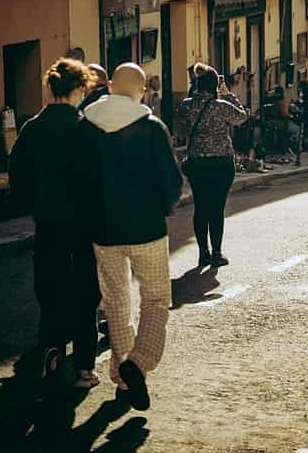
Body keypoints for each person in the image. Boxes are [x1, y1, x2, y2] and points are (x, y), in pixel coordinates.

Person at [76, 63, 183, 411]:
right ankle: (137, 364)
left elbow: (78, 178)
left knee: (116, 304)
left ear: (110, 87)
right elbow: (171, 181)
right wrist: (165, 207)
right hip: (147, 230)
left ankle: (123, 381)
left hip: (103, 232)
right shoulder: (151, 128)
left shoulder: (86, 127)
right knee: (155, 301)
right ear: (139, 91)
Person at [9, 58, 101, 393]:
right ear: (78, 89)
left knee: (50, 290)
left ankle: (51, 354)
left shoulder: (32, 128)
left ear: (51, 88)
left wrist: (32, 204)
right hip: (84, 225)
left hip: (48, 221)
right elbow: (99, 178)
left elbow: (17, 175)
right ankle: (84, 369)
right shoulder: (86, 128)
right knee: (86, 293)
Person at [176, 66, 248, 267]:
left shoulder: (186, 105)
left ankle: (202, 252)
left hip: (197, 162)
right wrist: (229, 95)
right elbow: (241, 117)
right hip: (221, 163)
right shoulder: (221, 106)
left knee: (200, 208)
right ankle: (217, 253)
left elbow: (180, 126)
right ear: (216, 85)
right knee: (216, 207)